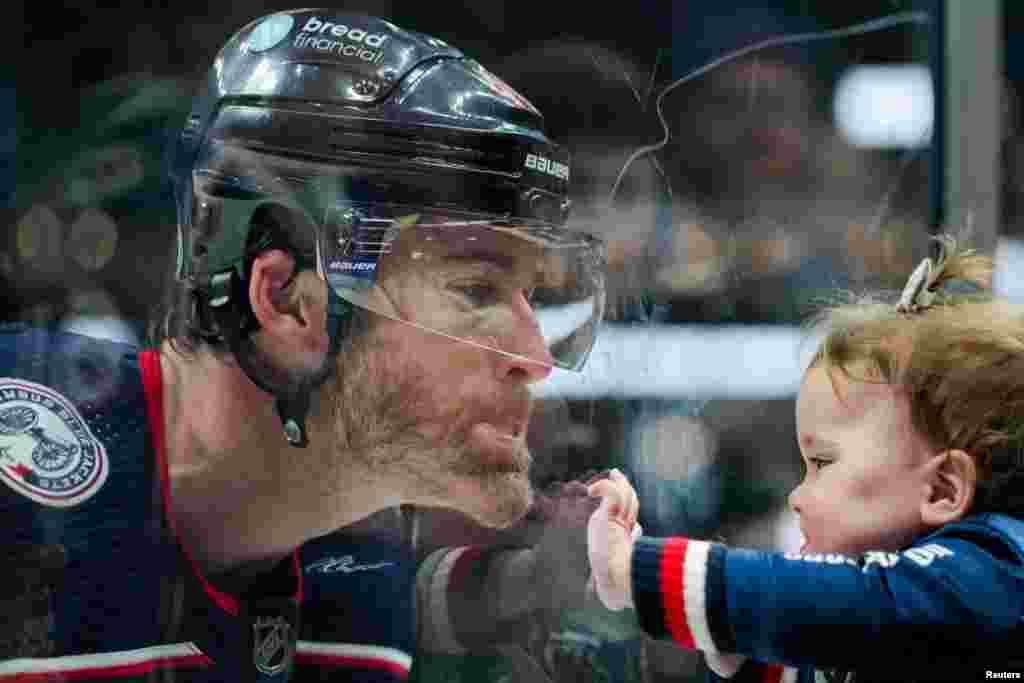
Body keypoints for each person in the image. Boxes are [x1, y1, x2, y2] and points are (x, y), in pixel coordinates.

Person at [1, 8, 606, 681]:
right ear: (287, 302)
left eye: (535, 298)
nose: (538, 358)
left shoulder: (358, 582)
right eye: (476, 291)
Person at [587, 234, 1024, 682]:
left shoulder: (989, 576)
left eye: (823, 463)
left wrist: (638, 572)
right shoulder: (924, 615)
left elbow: (849, 605)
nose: (797, 496)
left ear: (942, 488)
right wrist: (742, 649)